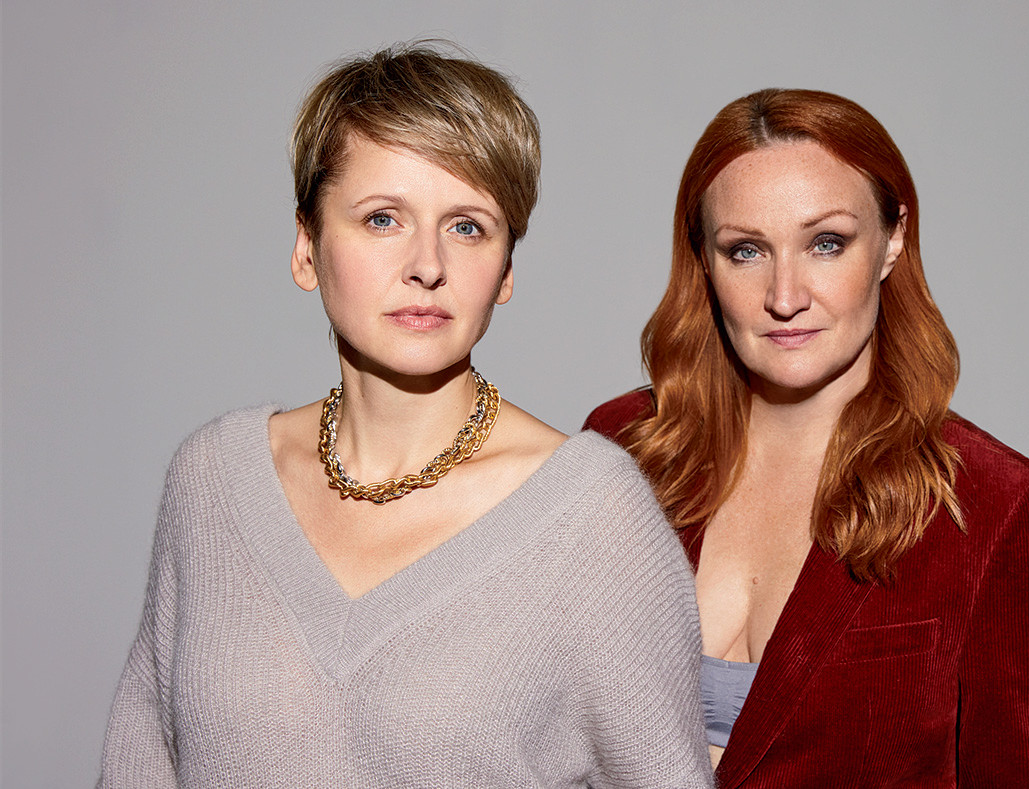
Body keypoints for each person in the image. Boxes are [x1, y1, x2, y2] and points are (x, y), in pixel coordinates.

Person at [99, 44, 713, 788]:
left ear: (506, 271)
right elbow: (140, 766)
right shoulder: (213, 481)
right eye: (383, 218)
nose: (427, 264)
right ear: (306, 247)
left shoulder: (592, 517)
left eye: (467, 227)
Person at [585, 88, 1029, 787]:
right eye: (745, 251)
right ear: (703, 258)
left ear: (893, 240)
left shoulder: (997, 507)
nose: (785, 296)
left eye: (826, 243)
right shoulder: (624, 449)